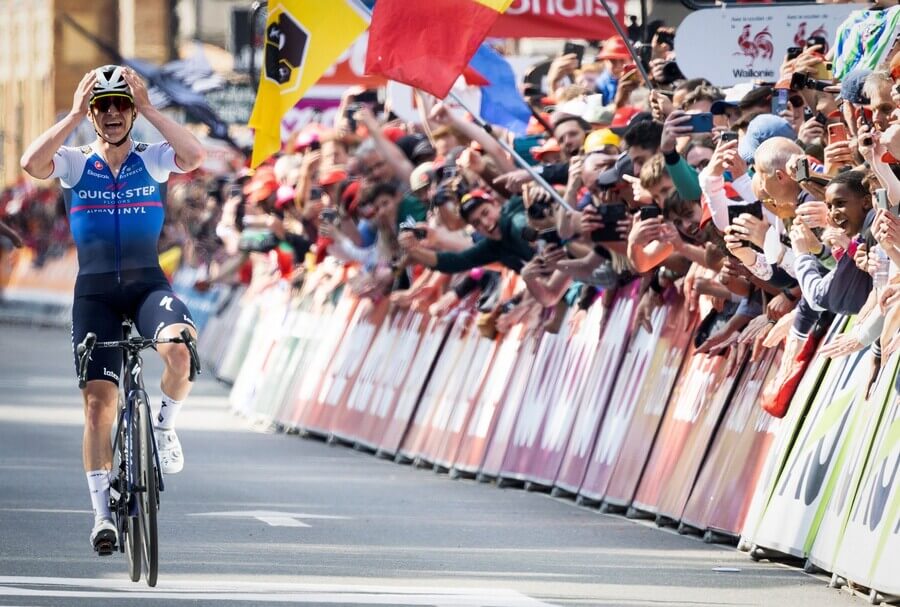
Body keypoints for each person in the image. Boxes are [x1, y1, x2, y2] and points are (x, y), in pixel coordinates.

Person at [19, 65, 205, 555]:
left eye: (122, 103)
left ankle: (163, 426)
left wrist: (150, 109)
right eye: (104, 106)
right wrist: (72, 115)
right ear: (94, 114)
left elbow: (195, 154)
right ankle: (102, 513)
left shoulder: (155, 158)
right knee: (100, 403)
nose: (115, 112)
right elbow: (30, 162)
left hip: (147, 285)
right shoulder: (76, 163)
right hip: (96, 294)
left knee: (182, 351)